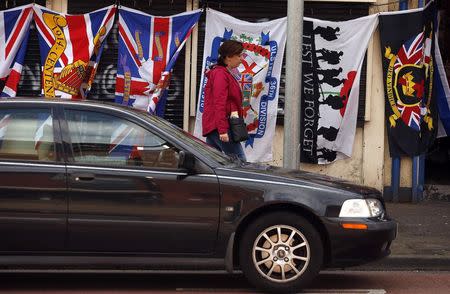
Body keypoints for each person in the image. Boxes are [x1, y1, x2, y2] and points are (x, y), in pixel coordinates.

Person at [202, 40, 247, 162]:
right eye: (239, 55)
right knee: (240, 163)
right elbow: (219, 102)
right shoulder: (221, 74)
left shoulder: (223, 73)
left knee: (212, 164)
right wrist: (222, 130)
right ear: (228, 57)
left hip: (216, 126)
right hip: (221, 126)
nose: (241, 59)